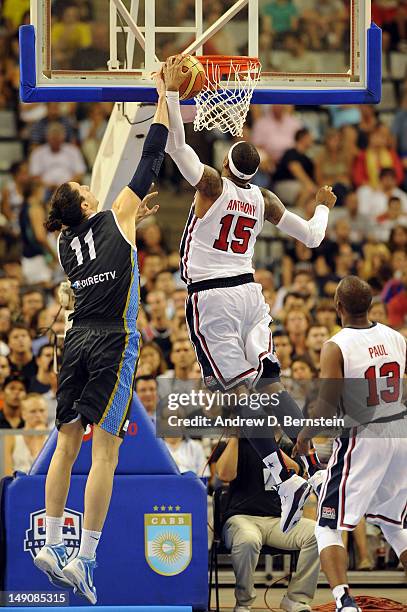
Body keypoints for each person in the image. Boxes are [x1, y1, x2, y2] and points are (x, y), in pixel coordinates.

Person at [162, 55, 337, 534]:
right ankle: (317, 465)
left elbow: (177, 146)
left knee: (239, 395)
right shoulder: (266, 199)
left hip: (213, 297)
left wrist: (171, 93)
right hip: (250, 293)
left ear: (224, 163)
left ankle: (282, 476)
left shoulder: (213, 184)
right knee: (271, 387)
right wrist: (322, 207)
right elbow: (313, 238)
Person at [32, 66, 185, 604]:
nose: (87, 184)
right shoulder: (114, 212)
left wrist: (131, 219)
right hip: (113, 340)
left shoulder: (64, 245)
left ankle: (51, 543)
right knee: (106, 455)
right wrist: (163, 98)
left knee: (66, 445)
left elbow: (107, 246)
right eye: (82, 186)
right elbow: (152, 156)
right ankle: (87, 557)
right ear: (88, 204)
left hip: (74, 342)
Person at [296, 276, 407, 612]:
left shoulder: (336, 345)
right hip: (399, 432)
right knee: (393, 523)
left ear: (337, 306)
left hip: (364, 436)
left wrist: (303, 437)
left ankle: (344, 600)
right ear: (371, 305)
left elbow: (327, 407)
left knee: (326, 524)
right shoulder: (396, 337)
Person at [215, 437, 320, 612]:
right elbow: (225, 475)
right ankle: (243, 602)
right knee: (248, 539)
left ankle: (296, 599)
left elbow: (297, 471)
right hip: (242, 518)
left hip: (278, 520)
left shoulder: (285, 445)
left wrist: (268, 445)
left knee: (317, 533)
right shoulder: (236, 443)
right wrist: (235, 436)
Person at [3, 393, 49, 475]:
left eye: (42, 410)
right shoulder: (11, 438)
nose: (38, 415)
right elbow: (6, 475)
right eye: (33, 411)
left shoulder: (54, 438)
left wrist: (38, 440)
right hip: (18, 485)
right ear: (23, 414)